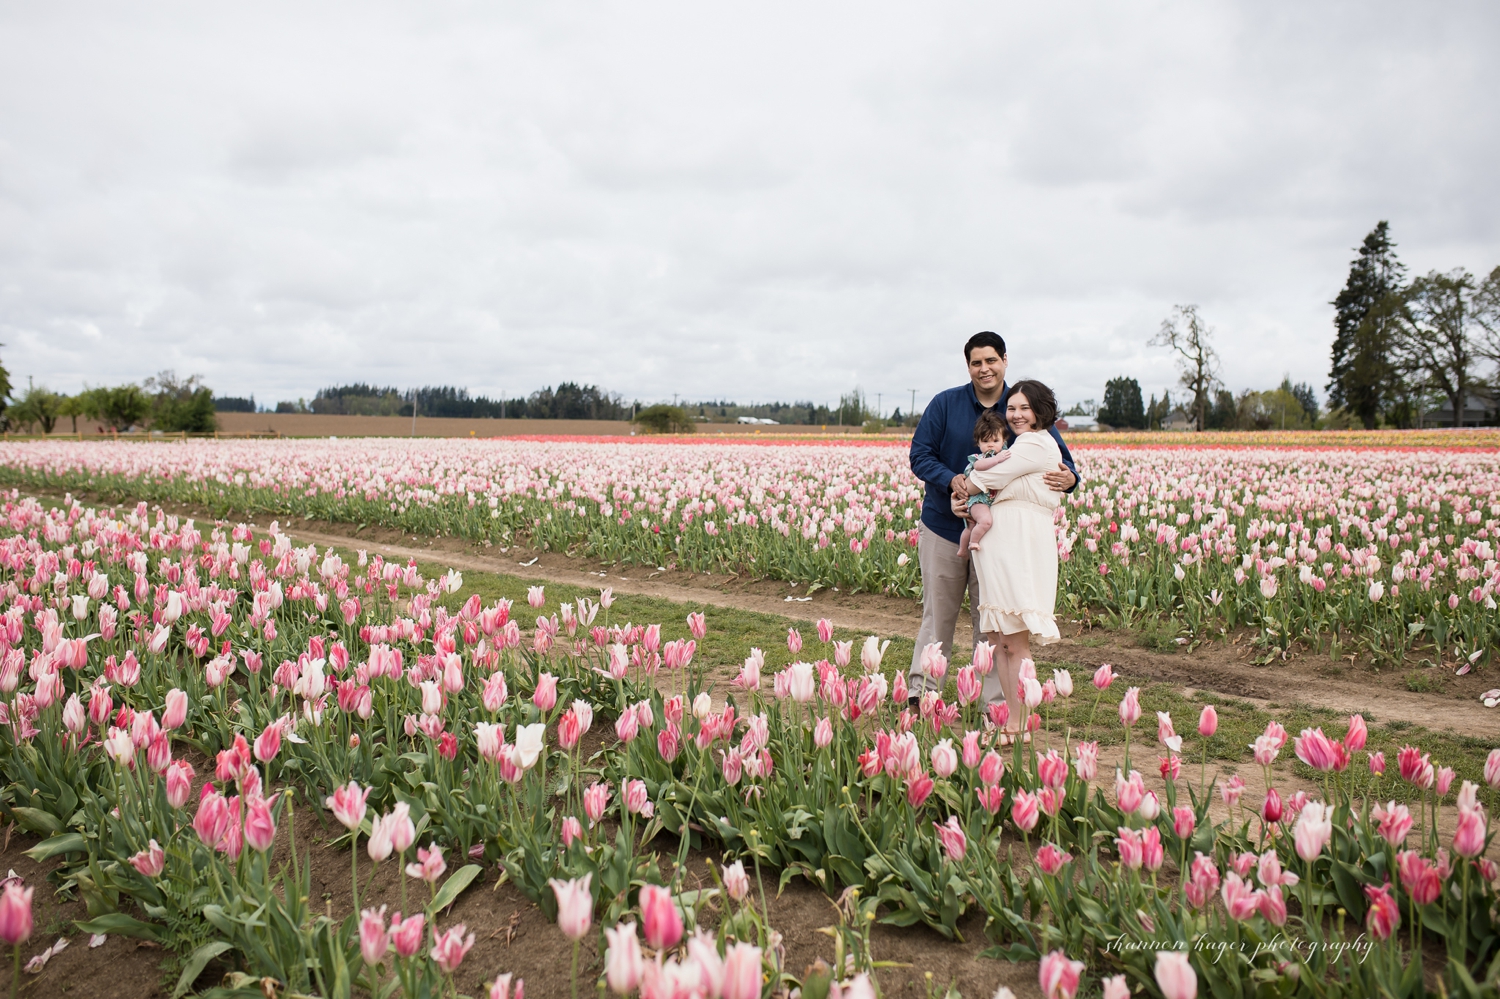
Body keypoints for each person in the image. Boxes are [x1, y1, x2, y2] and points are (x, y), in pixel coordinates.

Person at [906, 332, 1077, 705]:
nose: (984, 368)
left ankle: (993, 705)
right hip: (944, 527)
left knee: (996, 623)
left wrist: (1071, 478)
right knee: (938, 618)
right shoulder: (945, 404)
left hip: (1002, 541)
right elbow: (920, 455)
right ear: (968, 366)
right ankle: (922, 695)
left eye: (991, 360)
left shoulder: (1021, 407)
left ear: (1004, 360)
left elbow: (1060, 458)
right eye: (976, 362)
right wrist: (952, 480)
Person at [965, 379, 1064, 737]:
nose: (1017, 415)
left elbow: (979, 480)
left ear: (1040, 410)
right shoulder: (1022, 445)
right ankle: (1011, 722)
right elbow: (983, 477)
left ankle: (1021, 723)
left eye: (1025, 408)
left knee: (1015, 640)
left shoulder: (1036, 443)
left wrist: (976, 477)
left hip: (1021, 544)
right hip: (1000, 544)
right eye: (1012, 408)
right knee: (1000, 639)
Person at [956, 412, 1007, 556]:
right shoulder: (981, 458)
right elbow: (979, 467)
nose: (990, 444)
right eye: (985, 441)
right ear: (978, 443)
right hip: (978, 500)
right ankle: (973, 542)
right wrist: (997, 460)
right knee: (985, 521)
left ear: (1003, 442)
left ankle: (962, 550)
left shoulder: (1003, 453)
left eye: (995, 440)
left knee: (970, 526)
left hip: (985, 500)